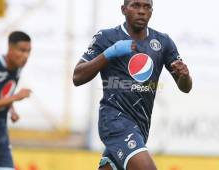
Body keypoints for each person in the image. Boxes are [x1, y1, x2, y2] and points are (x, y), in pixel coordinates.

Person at [73, 0, 192, 169]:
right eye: (136, 5)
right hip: (114, 120)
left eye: (146, 7)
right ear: (123, 9)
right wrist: (109, 53)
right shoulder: (107, 37)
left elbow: (185, 87)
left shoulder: (163, 42)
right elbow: (77, 76)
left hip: (140, 126)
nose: (141, 11)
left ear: (152, 11)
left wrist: (184, 76)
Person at [0, 31, 32, 170]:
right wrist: (15, 98)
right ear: (10, 48)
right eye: (22, 51)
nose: (25, 56)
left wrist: (11, 109)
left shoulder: (17, 68)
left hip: (0, 137)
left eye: (28, 51)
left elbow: (3, 94)